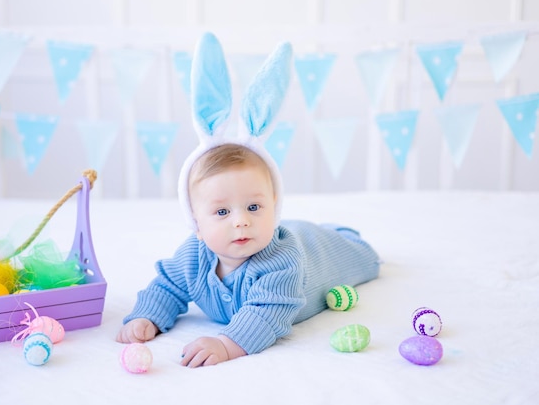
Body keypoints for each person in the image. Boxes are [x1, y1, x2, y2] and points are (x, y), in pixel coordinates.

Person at [116, 143, 381, 367]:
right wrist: (147, 317)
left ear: (274, 207)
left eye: (254, 207)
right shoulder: (193, 255)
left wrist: (226, 345)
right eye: (222, 212)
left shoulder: (282, 263)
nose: (241, 221)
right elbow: (167, 287)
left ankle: (341, 233)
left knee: (361, 256)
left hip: (318, 250)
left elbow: (267, 313)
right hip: (297, 232)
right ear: (196, 223)